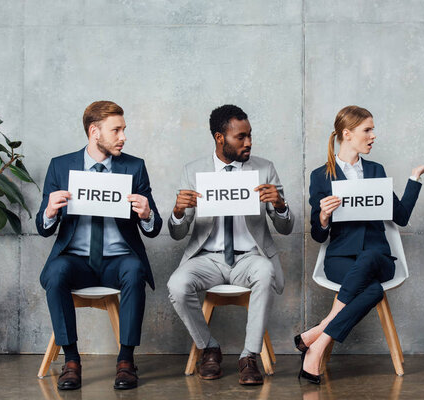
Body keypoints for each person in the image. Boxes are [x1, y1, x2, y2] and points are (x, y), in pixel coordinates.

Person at [296, 105, 424, 384]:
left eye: (373, 129)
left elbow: (401, 217)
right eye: (367, 130)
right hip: (340, 258)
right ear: (347, 134)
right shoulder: (320, 176)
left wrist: (414, 178)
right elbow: (318, 235)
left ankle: (319, 335)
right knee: (372, 291)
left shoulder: (376, 170)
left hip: (379, 258)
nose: (373, 135)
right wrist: (324, 215)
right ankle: (316, 344)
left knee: (371, 257)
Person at [37, 101, 162, 390]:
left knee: (134, 268)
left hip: (118, 260)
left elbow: (154, 229)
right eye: (116, 130)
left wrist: (147, 214)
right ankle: (70, 360)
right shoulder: (60, 165)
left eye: (124, 130)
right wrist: (49, 212)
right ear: (95, 132)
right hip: (76, 260)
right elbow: (42, 230)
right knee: (55, 272)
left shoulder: (134, 167)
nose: (123, 137)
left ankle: (126, 360)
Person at [167, 104, 294, 386]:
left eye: (250, 135)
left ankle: (249, 357)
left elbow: (286, 228)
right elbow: (178, 233)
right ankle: (209, 347)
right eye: (241, 137)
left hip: (250, 257)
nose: (248, 142)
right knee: (177, 284)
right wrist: (177, 212)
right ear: (220, 138)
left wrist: (280, 204)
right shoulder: (193, 171)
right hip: (207, 258)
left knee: (265, 272)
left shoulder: (264, 168)